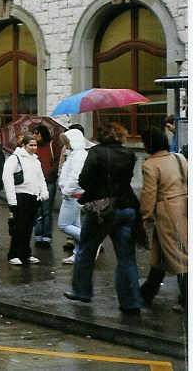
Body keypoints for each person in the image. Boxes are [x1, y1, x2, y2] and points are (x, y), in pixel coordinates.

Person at [65, 123, 141, 313]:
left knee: (86, 250)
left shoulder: (96, 153)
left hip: (101, 209)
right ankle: (130, 302)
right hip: (126, 206)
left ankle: (82, 291)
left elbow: (83, 180)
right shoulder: (129, 155)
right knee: (126, 257)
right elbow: (126, 179)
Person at [139, 127, 187, 313]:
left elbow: (148, 195)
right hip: (184, 208)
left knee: (179, 257)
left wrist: (145, 216)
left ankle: (186, 300)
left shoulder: (151, 165)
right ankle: (147, 293)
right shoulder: (179, 157)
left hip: (167, 213)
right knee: (160, 256)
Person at [2, 132, 50, 266]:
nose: (34, 148)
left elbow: (41, 178)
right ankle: (13, 254)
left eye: (35, 145)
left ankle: (25, 253)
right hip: (20, 196)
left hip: (33, 197)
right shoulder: (14, 158)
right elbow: (7, 178)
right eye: (31, 145)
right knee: (19, 228)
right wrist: (12, 201)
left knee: (28, 228)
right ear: (23, 145)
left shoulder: (35, 160)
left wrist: (43, 193)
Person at [57, 127, 88, 264]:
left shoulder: (78, 155)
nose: (66, 144)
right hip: (73, 194)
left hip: (72, 195)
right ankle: (78, 253)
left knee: (63, 225)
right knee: (75, 225)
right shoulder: (75, 154)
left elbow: (76, 177)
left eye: (68, 141)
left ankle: (90, 240)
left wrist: (66, 191)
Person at [33, 124, 59, 248]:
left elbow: (58, 160)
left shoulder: (51, 145)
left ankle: (47, 237)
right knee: (37, 210)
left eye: (37, 133)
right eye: (34, 133)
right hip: (36, 182)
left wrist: (51, 173)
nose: (35, 136)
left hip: (49, 182)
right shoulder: (33, 147)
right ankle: (38, 236)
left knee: (46, 210)